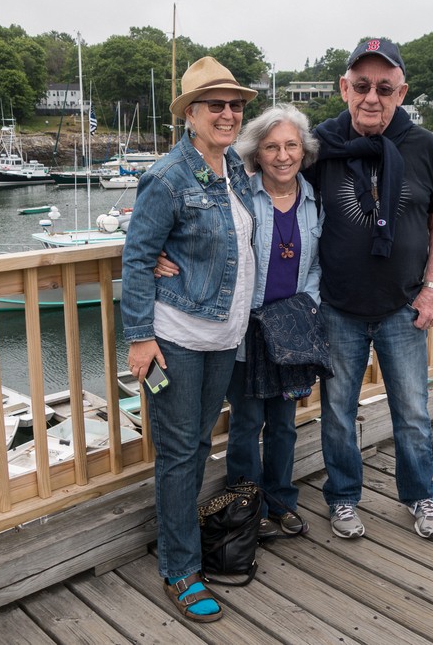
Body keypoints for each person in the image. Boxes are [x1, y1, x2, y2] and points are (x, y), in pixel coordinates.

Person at [120, 56, 257, 623]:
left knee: (200, 444)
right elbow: (136, 256)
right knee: (180, 453)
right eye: (215, 106)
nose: (228, 114)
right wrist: (138, 337)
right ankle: (180, 567)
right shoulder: (167, 175)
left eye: (235, 106)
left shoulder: (237, 171)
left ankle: (184, 541)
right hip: (173, 337)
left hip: (224, 334)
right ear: (190, 115)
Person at [305, 38, 433, 540]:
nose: (372, 97)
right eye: (363, 85)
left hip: (403, 305)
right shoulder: (318, 145)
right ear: (344, 87)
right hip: (337, 307)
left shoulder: (424, 146)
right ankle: (344, 498)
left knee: (412, 411)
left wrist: (432, 288)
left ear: (401, 91)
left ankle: (421, 494)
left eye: (385, 87)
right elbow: (264, 185)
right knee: (337, 414)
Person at [155, 104, 325, 539]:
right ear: (256, 154)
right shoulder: (241, 194)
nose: (282, 155)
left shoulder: (314, 199)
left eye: (291, 146)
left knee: (284, 423)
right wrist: (160, 254)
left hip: (291, 334)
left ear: (303, 152)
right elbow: (204, 236)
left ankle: (281, 500)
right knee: (247, 424)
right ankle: (245, 505)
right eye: (271, 147)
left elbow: (320, 264)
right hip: (245, 329)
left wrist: (307, 305)